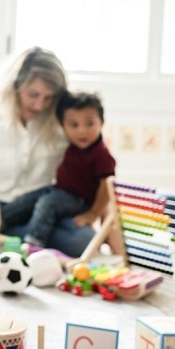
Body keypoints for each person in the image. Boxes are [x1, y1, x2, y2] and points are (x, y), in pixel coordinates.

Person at [0, 46, 96, 258]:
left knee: (83, 241)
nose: (39, 105)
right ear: (15, 86)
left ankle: (10, 240)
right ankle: (24, 241)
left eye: (49, 98)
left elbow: (88, 158)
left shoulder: (60, 119)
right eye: (33, 94)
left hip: (40, 212)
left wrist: (92, 209)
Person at [23, 90, 123, 253]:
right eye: (74, 125)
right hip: (60, 192)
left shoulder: (101, 154)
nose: (82, 131)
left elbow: (107, 187)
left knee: (47, 203)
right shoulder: (72, 145)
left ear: (102, 122)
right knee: (29, 199)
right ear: (63, 126)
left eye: (89, 124)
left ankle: (34, 245)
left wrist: (93, 213)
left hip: (79, 201)